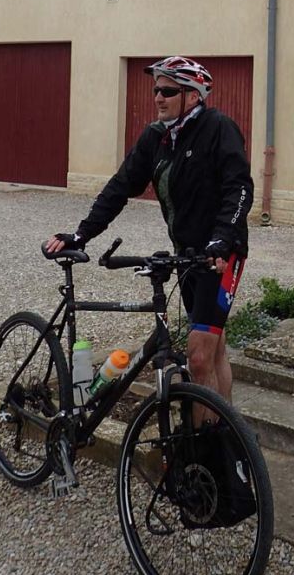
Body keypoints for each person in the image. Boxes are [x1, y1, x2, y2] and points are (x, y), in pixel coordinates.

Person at [46, 56, 253, 404]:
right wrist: (82, 234)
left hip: (221, 256)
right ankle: (226, 427)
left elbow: (240, 188)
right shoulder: (156, 137)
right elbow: (119, 187)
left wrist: (222, 238)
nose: (158, 97)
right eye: (156, 89)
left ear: (193, 96)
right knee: (213, 350)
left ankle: (210, 435)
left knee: (199, 356)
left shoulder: (218, 127)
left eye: (168, 91)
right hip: (186, 255)